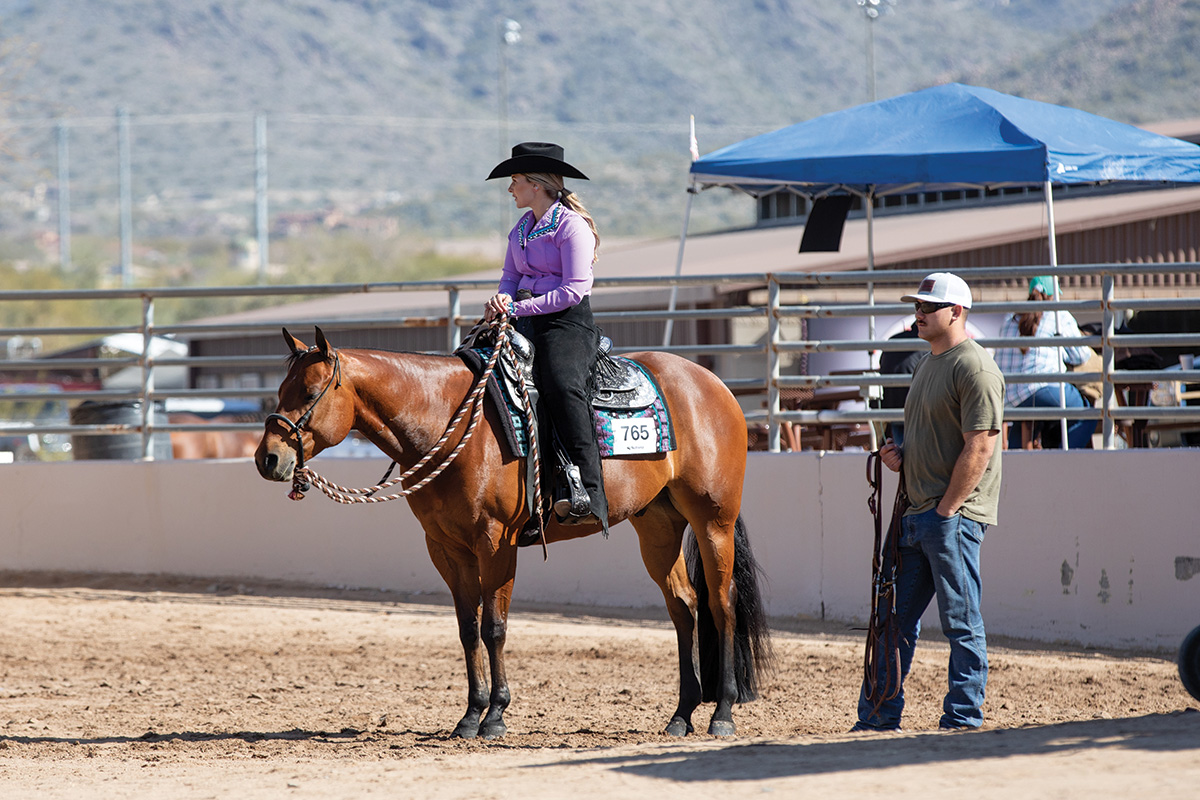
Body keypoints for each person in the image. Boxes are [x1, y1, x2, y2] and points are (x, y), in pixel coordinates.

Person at [855, 271, 1004, 732]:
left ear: (955, 312)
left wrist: (946, 510)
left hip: (948, 516)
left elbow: (981, 445)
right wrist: (899, 459)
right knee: (892, 622)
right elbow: (939, 439)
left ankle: (962, 717)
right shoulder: (926, 366)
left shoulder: (974, 367)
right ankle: (879, 717)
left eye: (927, 307)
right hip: (921, 513)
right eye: (917, 306)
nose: (918, 313)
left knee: (960, 620)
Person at [483, 142, 607, 530]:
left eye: (515, 181)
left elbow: (573, 290)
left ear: (536, 185)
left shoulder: (572, 228)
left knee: (559, 382)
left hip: (567, 323)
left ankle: (586, 487)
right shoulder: (521, 229)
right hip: (526, 319)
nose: (511, 189)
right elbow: (510, 276)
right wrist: (503, 298)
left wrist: (517, 308)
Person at [994, 275, 1096, 450]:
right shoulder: (1058, 315)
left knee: (1024, 422)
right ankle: (1061, 460)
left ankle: (1017, 469)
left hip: (1008, 395)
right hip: (1043, 387)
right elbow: (1081, 355)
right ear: (1053, 295)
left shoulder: (1010, 316)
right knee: (1087, 416)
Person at [877, 322, 924, 447]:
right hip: (917, 409)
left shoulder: (894, 340)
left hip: (892, 407)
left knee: (902, 453)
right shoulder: (928, 344)